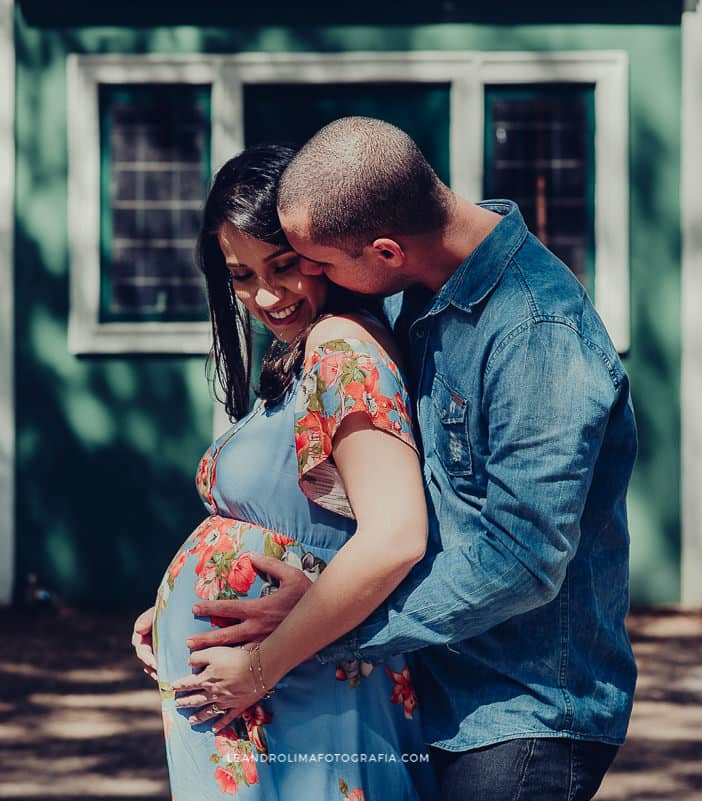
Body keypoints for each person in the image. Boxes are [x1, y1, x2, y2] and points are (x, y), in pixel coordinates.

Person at [136, 117, 638, 801]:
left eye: (315, 265)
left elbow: (522, 560)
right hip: (437, 694)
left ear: (385, 251)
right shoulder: (421, 292)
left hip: (521, 713)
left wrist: (311, 633)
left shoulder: (536, 334)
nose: (307, 284)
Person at [146, 143, 438, 801]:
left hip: (305, 690)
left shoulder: (340, 347)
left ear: (319, 250)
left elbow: (395, 536)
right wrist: (179, 603)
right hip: (278, 693)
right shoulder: (301, 356)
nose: (266, 294)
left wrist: (255, 666)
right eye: (240, 276)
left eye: (282, 266)